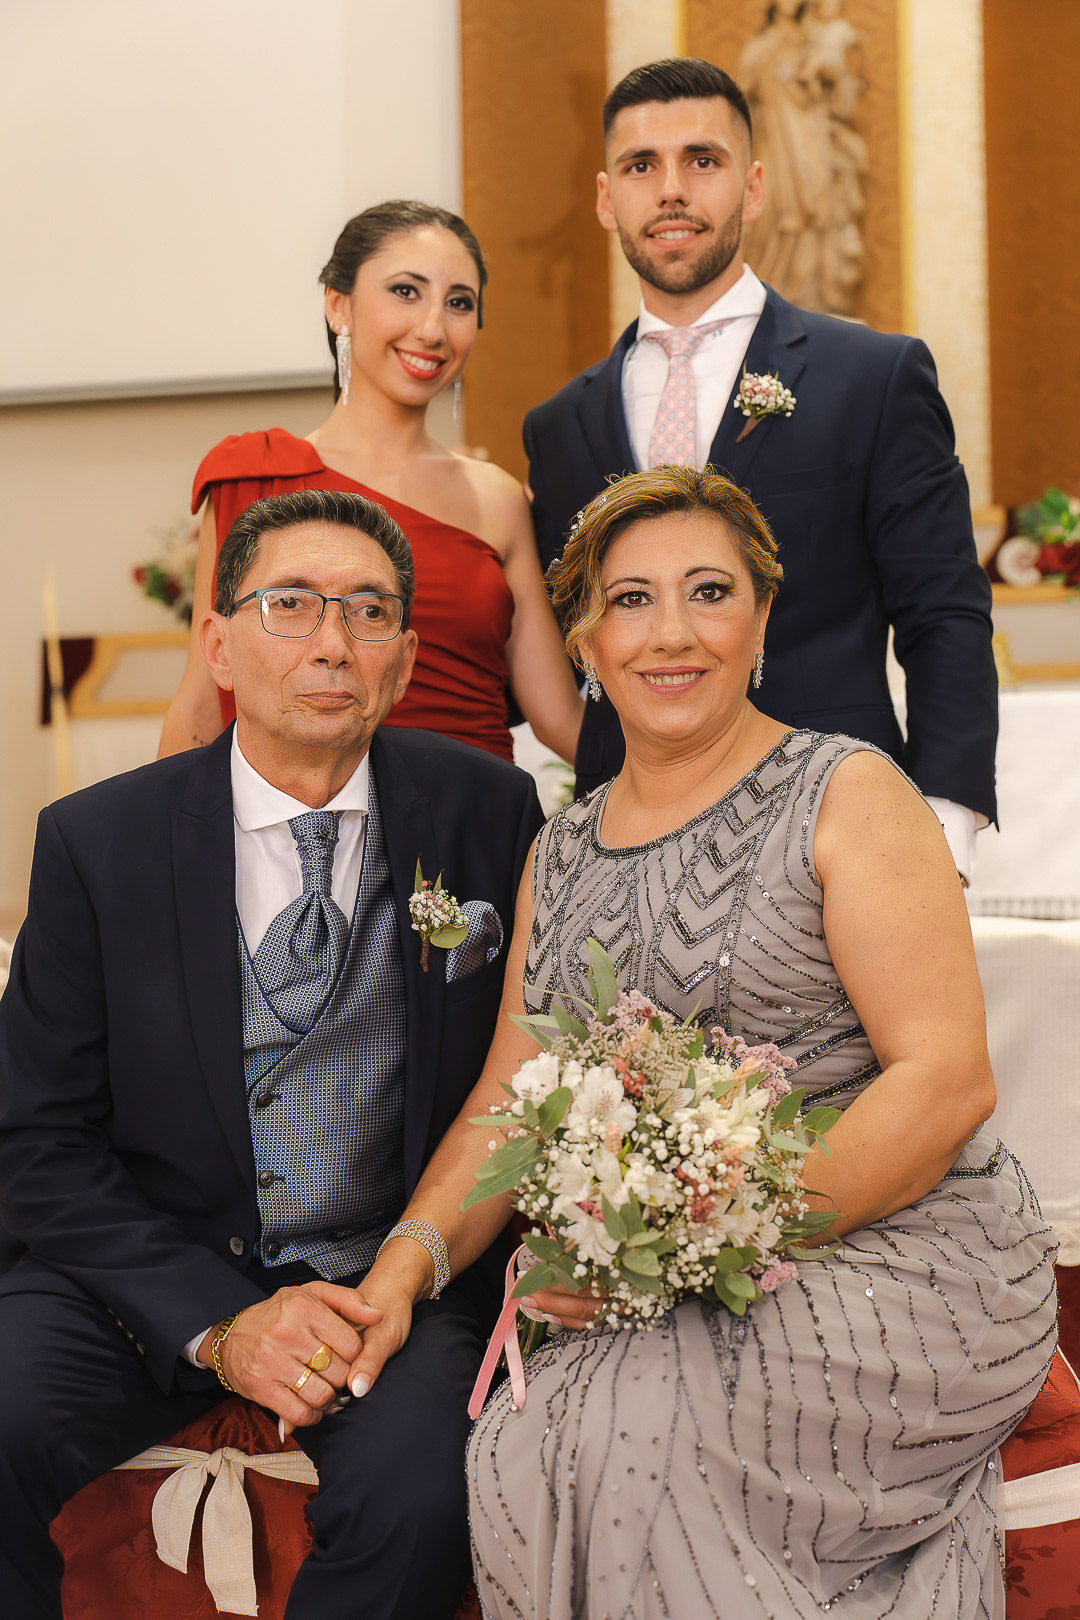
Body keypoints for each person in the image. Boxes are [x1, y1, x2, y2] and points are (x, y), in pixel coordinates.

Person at [338, 469, 1056, 1617]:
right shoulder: (560, 852)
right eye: (631, 600)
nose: (671, 632)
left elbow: (944, 1082)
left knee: (654, 1434)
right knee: (533, 1444)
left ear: (762, 619)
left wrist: (686, 1248)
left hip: (895, 1247)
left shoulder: (848, 792)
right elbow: (508, 1097)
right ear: (585, 640)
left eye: (710, 592)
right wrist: (404, 1268)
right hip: (653, 1270)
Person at [0, 489, 545, 1620]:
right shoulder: (99, 842)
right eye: (291, 605)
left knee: (425, 1497)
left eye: (370, 611)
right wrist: (219, 1321)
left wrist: (403, 1275)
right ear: (219, 645)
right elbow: (36, 1141)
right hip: (152, 1266)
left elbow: (527, 1075)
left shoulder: (490, 812)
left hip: (388, 1276)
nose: (333, 642)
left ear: (404, 658)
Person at [523, 57, 997, 884]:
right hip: (624, 847)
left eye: (702, 160)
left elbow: (943, 611)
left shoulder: (872, 377)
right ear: (606, 198)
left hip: (834, 831)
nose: (672, 190)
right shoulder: (559, 425)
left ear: (753, 187)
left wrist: (943, 832)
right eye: (641, 166)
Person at [160, 199, 583, 767]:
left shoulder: (498, 498)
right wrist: (169, 824)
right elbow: (202, 698)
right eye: (406, 291)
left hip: (473, 809)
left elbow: (559, 718)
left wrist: (696, 774)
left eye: (459, 303)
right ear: (339, 305)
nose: (432, 328)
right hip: (299, 808)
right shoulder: (256, 475)